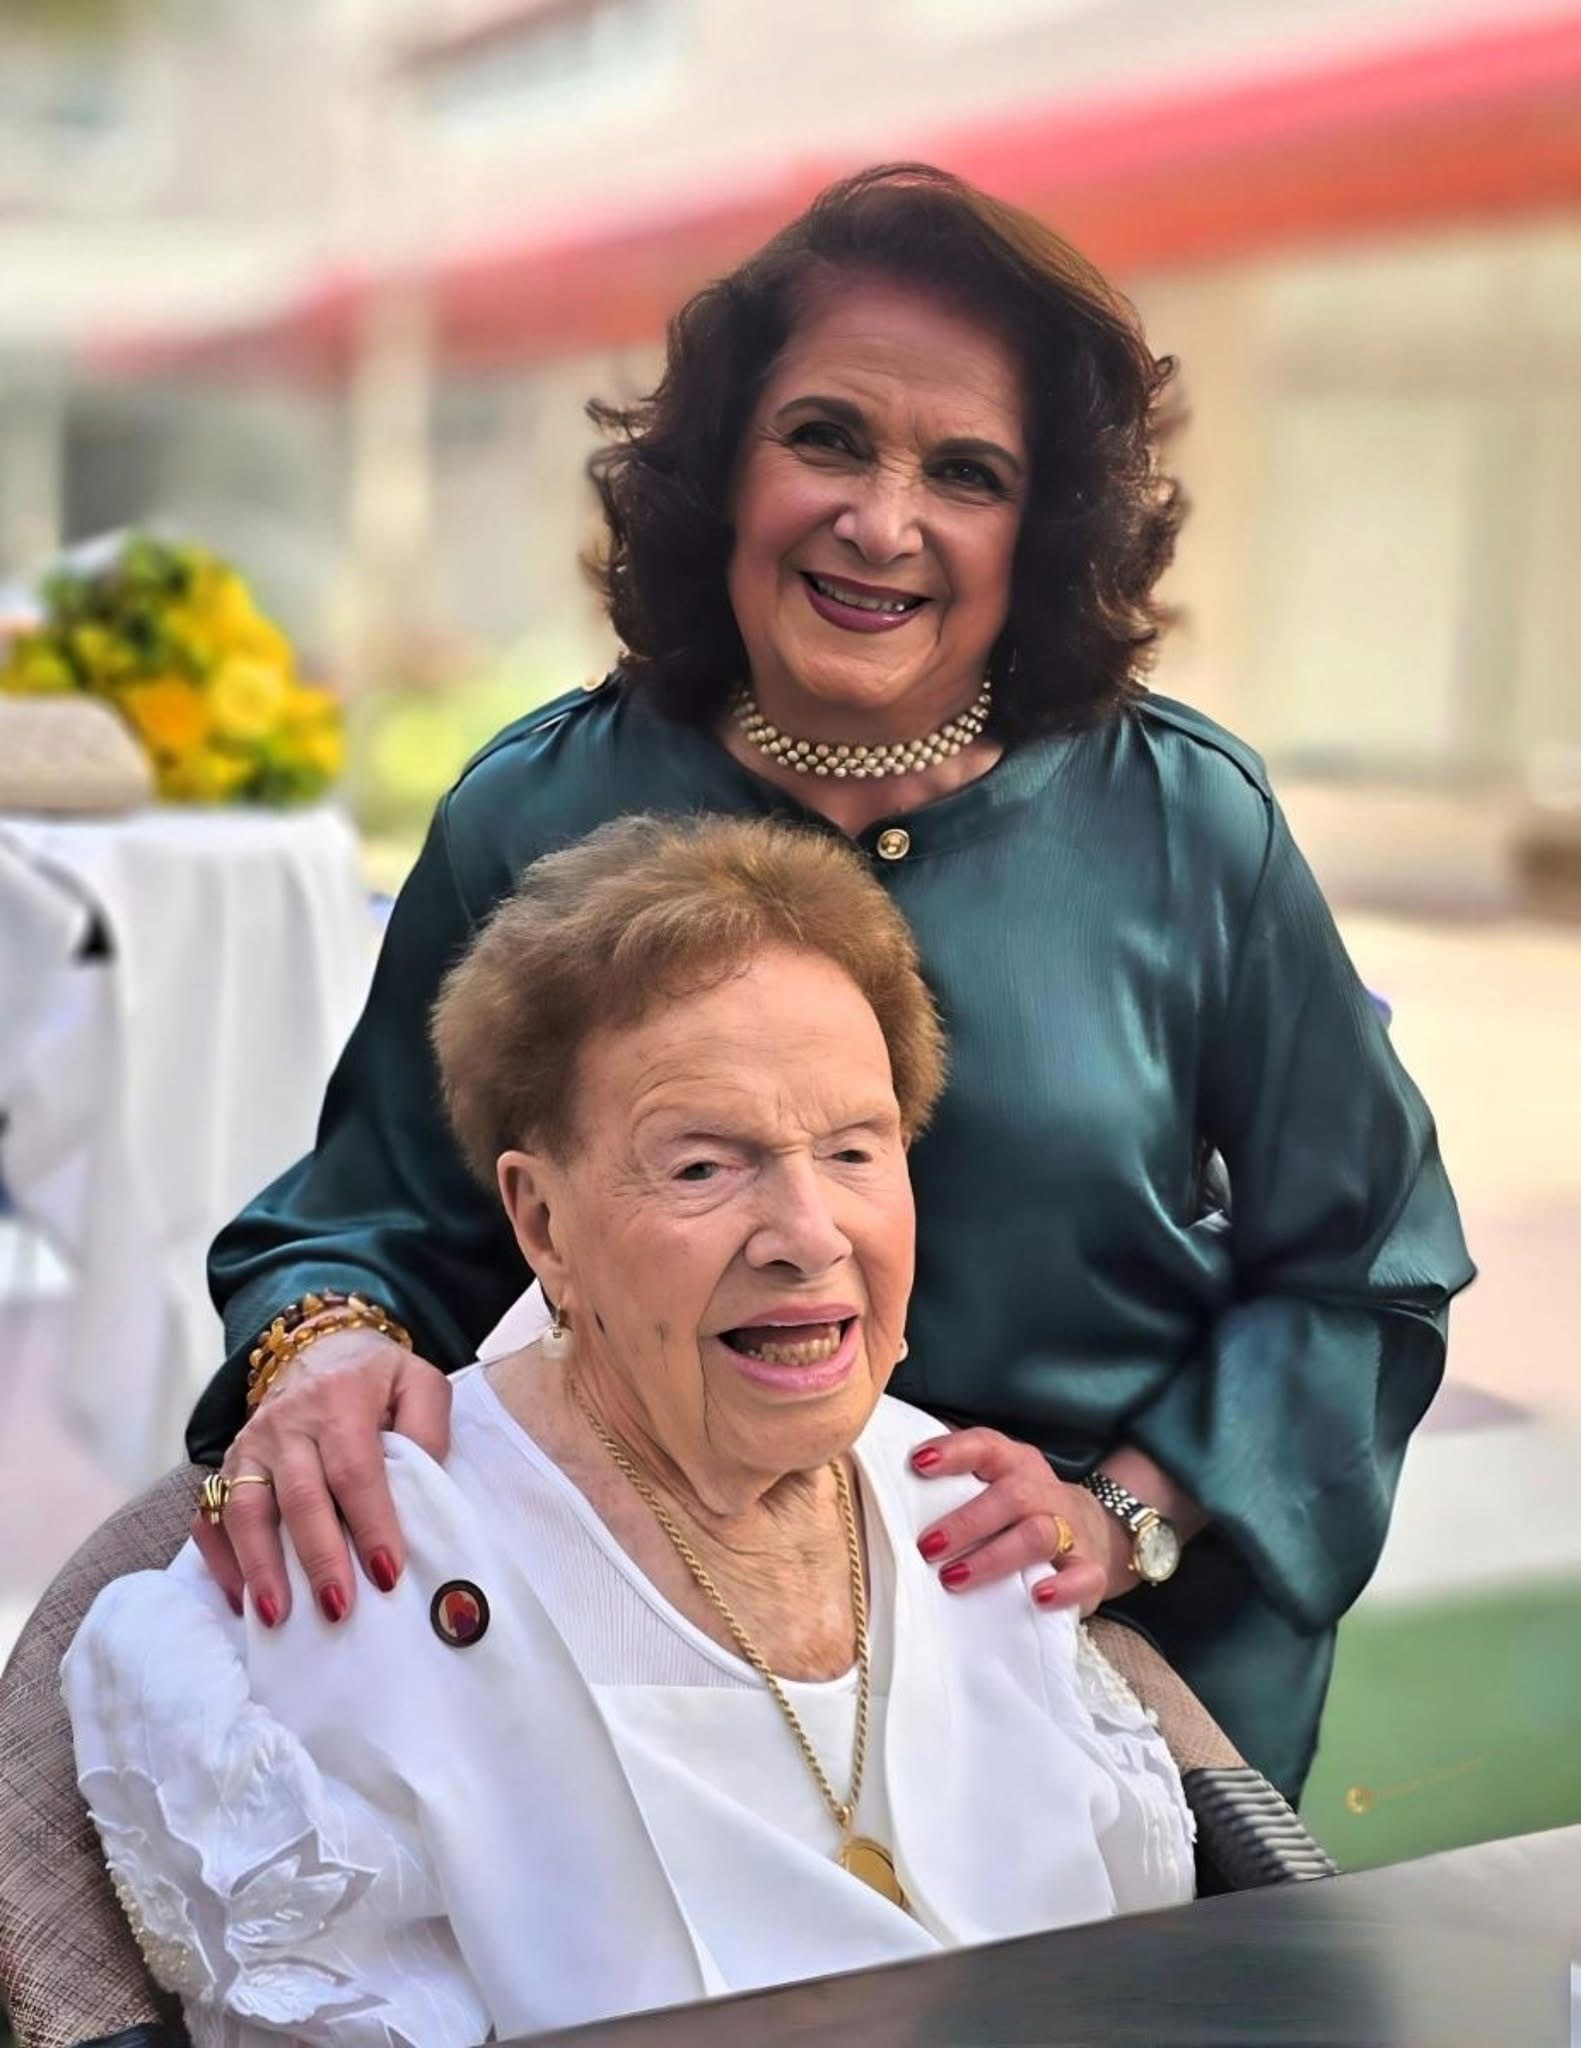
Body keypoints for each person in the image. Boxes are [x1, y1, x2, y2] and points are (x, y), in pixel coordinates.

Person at [186, 163, 1473, 1804]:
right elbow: (366, 1221)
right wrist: (324, 1350)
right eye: (827, 438)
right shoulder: (536, 812)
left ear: (1040, 528)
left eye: (967, 471)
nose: (882, 520)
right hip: (669, 1666)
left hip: (1103, 1657)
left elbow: (1364, 1266)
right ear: (725, 467)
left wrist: (1128, 1511)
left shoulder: (1185, 823)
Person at [64, 816, 1196, 2041]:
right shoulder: (375, 1568)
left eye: (853, 1150)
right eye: (704, 1166)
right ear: (543, 1222)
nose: (808, 1233)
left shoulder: (970, 1511)